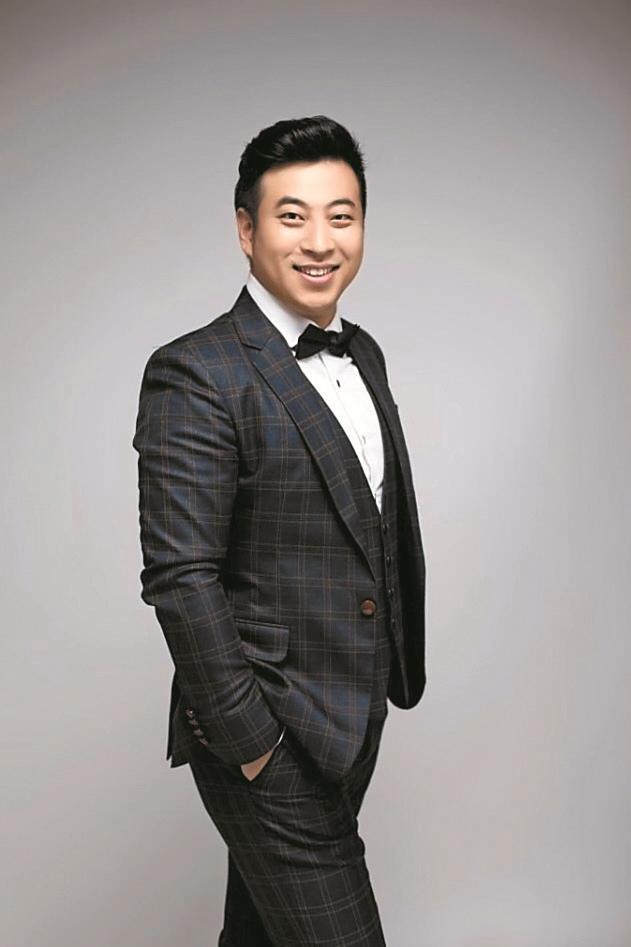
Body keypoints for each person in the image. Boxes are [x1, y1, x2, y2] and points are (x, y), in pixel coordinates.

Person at [132, 114, 427, 946]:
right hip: (268, 736)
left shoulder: (363, 354)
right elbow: (181, 575)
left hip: (351, 718)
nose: (320, 241)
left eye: (341, 215)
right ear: (246, 229)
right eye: (291, 216)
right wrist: (251, 742)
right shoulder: (196, 371)